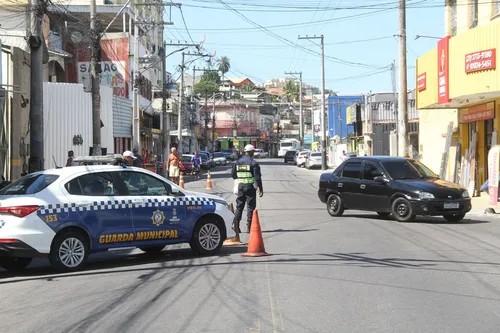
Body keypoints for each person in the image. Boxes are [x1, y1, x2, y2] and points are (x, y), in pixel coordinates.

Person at [231, 144, 263, 233]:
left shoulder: (237, 162)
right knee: (250, 207)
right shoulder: (253, 163)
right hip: (250, 187)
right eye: (253, 152)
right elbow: (257, 177)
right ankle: (250, 227)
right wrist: (260, 188)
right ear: (251, 152)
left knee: (239, 206)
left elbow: (233, 175)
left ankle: (236, 227)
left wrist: (241, 178)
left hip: (240, 186)